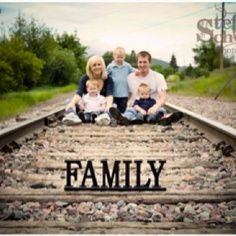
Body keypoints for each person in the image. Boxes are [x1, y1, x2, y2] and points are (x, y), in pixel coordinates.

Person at [110, 50, 183, 126]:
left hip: (152, 109)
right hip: (136, 109)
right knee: (130, 110)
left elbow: (163, 97)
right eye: (140, 62)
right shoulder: (130, 77)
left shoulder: (158, 77)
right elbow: (128, 94)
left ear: (149, 63)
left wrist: (155, 107)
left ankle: (164, 119)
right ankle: (124, 118)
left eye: (145, 62)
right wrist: (126, 103)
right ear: (137, 63)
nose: (142, 65)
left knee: (161, 110)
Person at [62, 55, 113, 126]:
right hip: (86, 107)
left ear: (103, 66)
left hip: (101, 107)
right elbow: (79, 93)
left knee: (112, 106)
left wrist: (108, 106)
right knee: (70, 102)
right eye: (94, 65)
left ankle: (104, 118)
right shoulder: (84, 78)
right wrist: (72, 103)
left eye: (99, 64)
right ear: (90, 68)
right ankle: (72, 116)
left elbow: (109, 94)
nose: (97, 67)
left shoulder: (108, 79)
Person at [107, 47, 135, 113]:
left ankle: (122, 117)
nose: (119, 59)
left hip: (124, 93)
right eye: (118, 57)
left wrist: (137, 72)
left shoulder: (127, 66)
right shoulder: (110, 66)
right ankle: (113, 117)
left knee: (123, 108)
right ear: (114, 56)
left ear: (124, 57)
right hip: (113, 92)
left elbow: (133, 71)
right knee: (113, 108)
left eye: (121, 57)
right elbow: (106, 74)